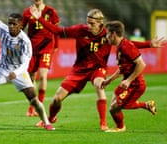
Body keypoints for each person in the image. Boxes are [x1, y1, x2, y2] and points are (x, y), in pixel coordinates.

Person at [30, 7, 166, 130]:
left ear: (100, 23)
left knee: (99, 86)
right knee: (56, 99)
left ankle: (103, 123)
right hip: (79, 69)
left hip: (98, 69)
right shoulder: (80, 30)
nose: (88, 26)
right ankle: (50, 118)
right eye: (87, 22)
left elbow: (127, 44)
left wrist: (149, 44)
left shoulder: (108, 34)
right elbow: (58, 31)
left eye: (92, 23)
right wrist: (40, 19)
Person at [0, 13, 54, 130]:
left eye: (14, 24)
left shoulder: (25, 42)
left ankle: (46, 122)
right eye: (10, 23)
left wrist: (16, 73)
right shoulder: (3, 29)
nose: (11, 26)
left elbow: (25, 64)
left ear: (20, 25)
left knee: (33, 100)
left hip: (18, 71)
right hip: (1, 66)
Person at [102, 20, 157, 132]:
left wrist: (128, 80)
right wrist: (109, 80)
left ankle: (120, 128)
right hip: (128, 82)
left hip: (136, 84)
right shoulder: (121, 46)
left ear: (113, 34)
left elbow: (141, 64)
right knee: (114, 103)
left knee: (115, 108)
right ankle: (147, 105)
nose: (106, 37)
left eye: (107, 34)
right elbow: (122, 69)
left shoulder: (126, 46)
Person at [22, 0, 60, 117]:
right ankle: (31, 107)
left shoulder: (51, 11)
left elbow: (56, 30)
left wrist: (56, 45)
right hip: (32, 48)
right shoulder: (27, 12)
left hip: (47, 46)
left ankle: (40, 106)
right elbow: (21, 29)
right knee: (31, 77)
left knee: (43, 75)